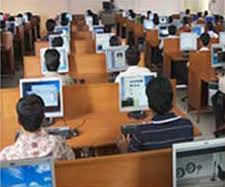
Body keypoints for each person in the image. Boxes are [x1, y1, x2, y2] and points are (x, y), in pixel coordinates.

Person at [117, 77, 193, 152]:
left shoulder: (141, 132)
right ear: (172, 99)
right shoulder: (187, 125)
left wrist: (123, 148)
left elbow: (132, 159)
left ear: (149, 103)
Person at [0, 95, 75, 161]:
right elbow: (71, 163)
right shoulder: (59, 143)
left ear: (18, 120)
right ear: (43, 119)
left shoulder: (6, 155)